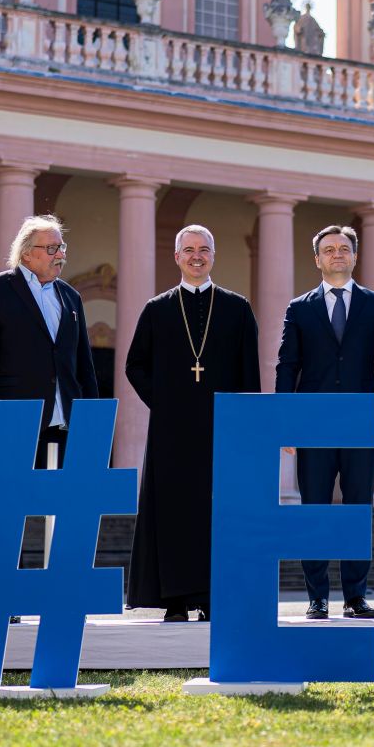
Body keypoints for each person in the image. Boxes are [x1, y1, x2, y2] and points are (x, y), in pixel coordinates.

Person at [127, 224, 260, 622]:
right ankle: (175, 599)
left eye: (204, 249)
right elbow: (135, 365)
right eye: (188, 250)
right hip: (171, 433)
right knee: (173, 513)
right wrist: (165, 403)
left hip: (223, 431)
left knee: (218, 513)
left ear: (213, 256)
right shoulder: (157, 309)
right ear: (177, 257)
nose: (196, 256)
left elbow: (249, 373)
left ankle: (213, 596)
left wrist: (245, 424)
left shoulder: (237, 309)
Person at [275, 225, 374, 621]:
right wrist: (286, 420)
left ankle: (355, 597)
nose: (337, 255)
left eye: (344, 249)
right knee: (313, 509)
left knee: (356, 508)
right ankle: (317, 598)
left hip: (360, 421)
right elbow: (287, 366)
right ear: (317, 259)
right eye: (328, 250)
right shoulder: (299, 307)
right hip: (312, 422)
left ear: (355, 255)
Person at [0, 215, 99, 470]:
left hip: (66, 420)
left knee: (62, 503)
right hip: (15, 418)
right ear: (26, 254)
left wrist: (91, 416)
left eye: (62, 247)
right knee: (10, 503)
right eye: (51, 248)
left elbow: (83, 365)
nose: (60, 255)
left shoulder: (71, 297)